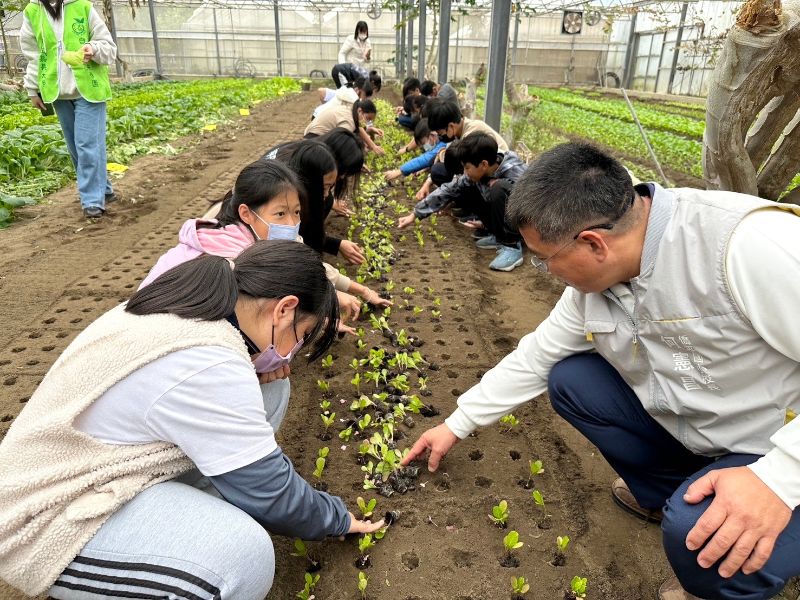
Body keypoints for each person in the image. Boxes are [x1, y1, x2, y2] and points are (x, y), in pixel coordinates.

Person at [402, 142, 800, 600]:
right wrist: (456, 424)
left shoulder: (746, 247)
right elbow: (537, 357)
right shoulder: (597, 285)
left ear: (594, 243)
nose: (545, 270)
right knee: (574, 381)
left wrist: (777, 478)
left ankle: (719, 572)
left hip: (777, 445)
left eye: (544, 257)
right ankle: (672, 495)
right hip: (713, 428)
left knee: (695, 542)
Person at [0, 240, 385, 600]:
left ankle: (186, 525)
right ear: (284, 309)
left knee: (270, 390)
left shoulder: (194, 304)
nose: (294, 350)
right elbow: (275, 495)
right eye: (301, 334)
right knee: (244, 558)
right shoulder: (208, 362)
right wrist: (338, 519)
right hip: (43, 519)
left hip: (102, 470)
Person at [19, 0, 117, 218]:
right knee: (75, 147)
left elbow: (109, 47)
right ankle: (105, 189)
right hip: (57, 92)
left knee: (87, 144)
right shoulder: (32, 11)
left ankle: (92, 200)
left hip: (88, 90)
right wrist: (32, 89)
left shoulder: (82, 6)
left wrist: (93, 48)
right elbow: (34, 54)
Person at [397, 133, 526, 271]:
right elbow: (447, 190)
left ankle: (511, 246)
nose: (465, 172)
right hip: (504, 217)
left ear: (483, 164)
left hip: (524, 224)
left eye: (467, 167)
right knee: (464, 187)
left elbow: (530, 209)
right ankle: (498, 234)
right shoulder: (482, 170)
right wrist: (415, 214)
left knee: (498, 188)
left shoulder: (514, 172)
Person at [304, 97, 384, 156]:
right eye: (367, 118)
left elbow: (358, 129)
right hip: (313, 142)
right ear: (360, 111)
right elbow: (342, 144)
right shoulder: (349, 121)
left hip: (312, 137)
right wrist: (356, 160)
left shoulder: (350, 109)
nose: (366, 122)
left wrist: (372, 141)